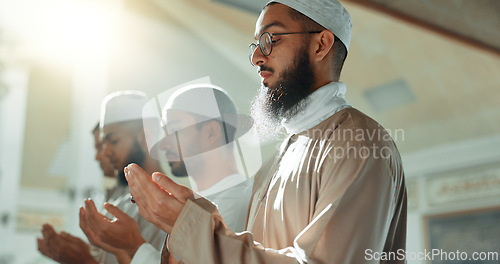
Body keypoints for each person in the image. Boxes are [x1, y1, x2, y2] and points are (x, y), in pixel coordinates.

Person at [125, 0, 407, 263]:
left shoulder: (358, 142)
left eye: (272, 39)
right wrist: (191, 220)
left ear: (320, 45)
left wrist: (193, 230)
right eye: (257, 44)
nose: (258, 57)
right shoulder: (284, 152)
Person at [84, 84, 254, 264]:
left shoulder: (237, 204)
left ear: (211, 132)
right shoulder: (197, 203)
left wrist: (133, 246)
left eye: (175, 131)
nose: (163, 146)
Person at [37, 123, 117, 264]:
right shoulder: (117, 196)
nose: (98, 156)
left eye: (102, 146)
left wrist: (85, 260)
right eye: (99, 148)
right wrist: (73, 253)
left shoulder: (147, 204)